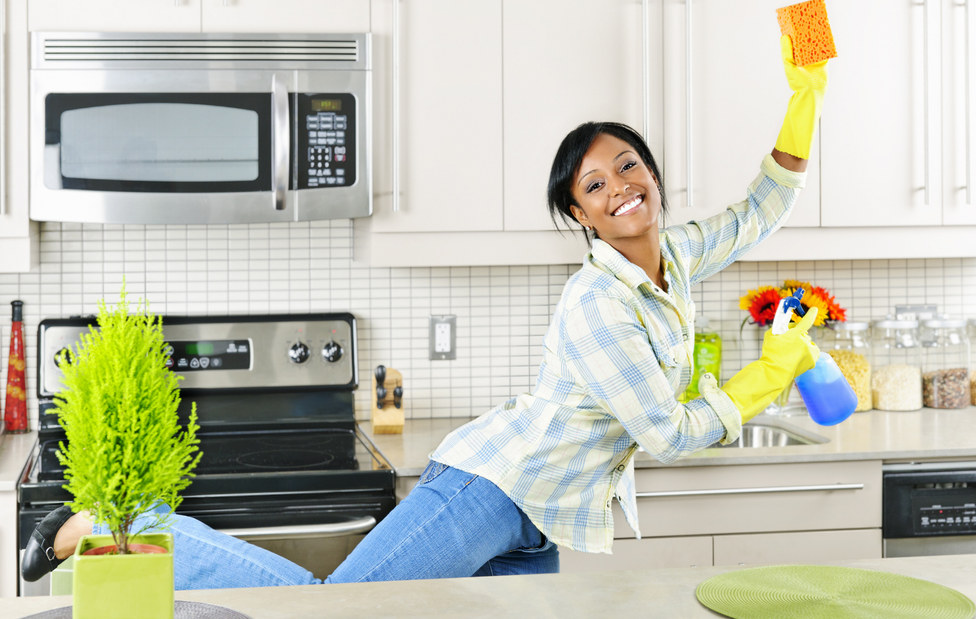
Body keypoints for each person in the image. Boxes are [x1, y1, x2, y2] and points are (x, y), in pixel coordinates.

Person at [23, 35, 829, 588]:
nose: (619, 185)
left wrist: (806, 97)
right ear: (580, 216)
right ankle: (104, 526)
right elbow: (669, 434)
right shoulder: (597, 305)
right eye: (594, 183)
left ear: (653, 174)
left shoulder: (678, 253)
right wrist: (769, 373)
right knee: (335, 605)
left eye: (627, 165)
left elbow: (764, 205)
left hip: (540, 516)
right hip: (488, 489)